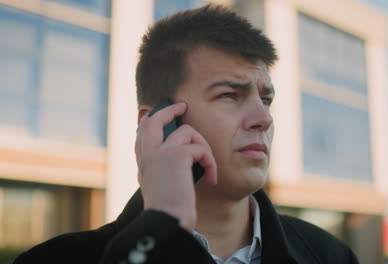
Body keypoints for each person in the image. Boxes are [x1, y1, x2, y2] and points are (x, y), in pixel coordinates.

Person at [14, 4, 359, 264]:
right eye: (229, 95)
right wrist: (160, 230)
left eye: (266, 99)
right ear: (159, 122)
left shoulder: (330, 255)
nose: (263, 118)